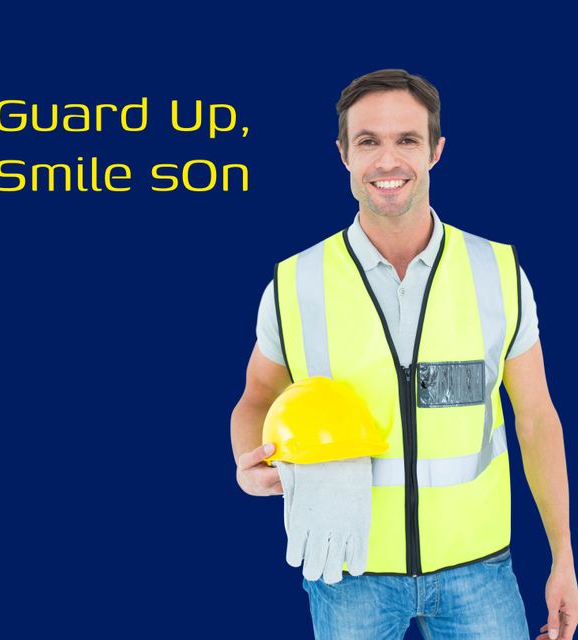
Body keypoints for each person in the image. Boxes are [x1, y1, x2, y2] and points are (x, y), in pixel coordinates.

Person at [230, 69, 577, 639]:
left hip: (479, 571)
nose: (387, 161)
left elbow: (537, 418)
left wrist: (563, 556)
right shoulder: (297, 283)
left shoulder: (499, 273)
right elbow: (256, 396)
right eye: (368, 141)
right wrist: (250, 463)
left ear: (436, 151)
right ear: (342, 153)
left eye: (407, 140)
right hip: (349, 573)